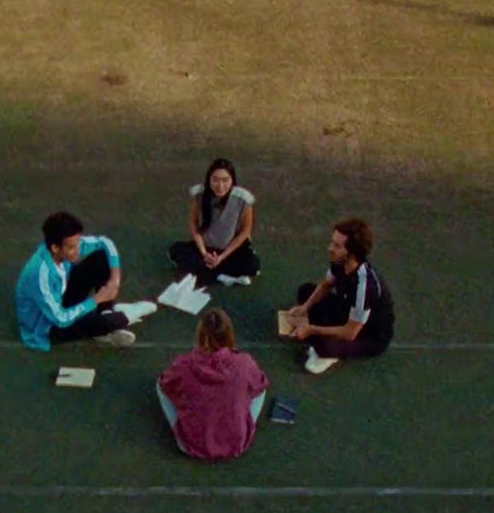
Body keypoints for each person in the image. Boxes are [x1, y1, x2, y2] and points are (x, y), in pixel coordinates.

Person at [15, 211, 153, 350]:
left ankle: (107, 314)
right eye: (71, 247)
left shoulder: (65, 249)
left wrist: (114, 280)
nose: (77, 250)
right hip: (47, 325)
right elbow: (60, 319)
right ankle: (121, 318)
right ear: (55, 248)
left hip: (61, 299)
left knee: (101, 257)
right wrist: (97, 299)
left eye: (78, 243)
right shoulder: (41, 275)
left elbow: (105, 242)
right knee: (104, 322)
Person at [285, 217, 394, 374]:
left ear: (351, 254)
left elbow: (350, 333)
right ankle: (320, 329)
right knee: (306, 291)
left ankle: (328, 352)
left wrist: (311, 330)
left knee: (325, 346)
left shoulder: (365, 286)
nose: (330, 248)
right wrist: (304, 307)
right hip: (348, 310)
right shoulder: (339, 262)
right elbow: (326, 285)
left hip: (368, 335)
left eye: (336, 246)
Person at [157, 310, 269, 461]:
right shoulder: (245, 363)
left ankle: (186, 425)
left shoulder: (183, 365)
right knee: (258, 386)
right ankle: (241, 421)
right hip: (237, 443)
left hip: (191, 445)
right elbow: (260, 383)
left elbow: (165, 383)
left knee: (161, 386)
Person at [168, 158, 260, 286]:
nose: (220, 185)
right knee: (176, 250)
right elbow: (194, 225)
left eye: (225, 180)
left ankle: (211, 272)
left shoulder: (243, 199)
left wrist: (221, 257)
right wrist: (204, 253)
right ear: (209, 179)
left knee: (252, 265)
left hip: (231, 250)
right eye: (215, 180)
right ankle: (221, 275)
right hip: (206, 248)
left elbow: (245, 232)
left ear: (232, 180)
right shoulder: (200, 194)